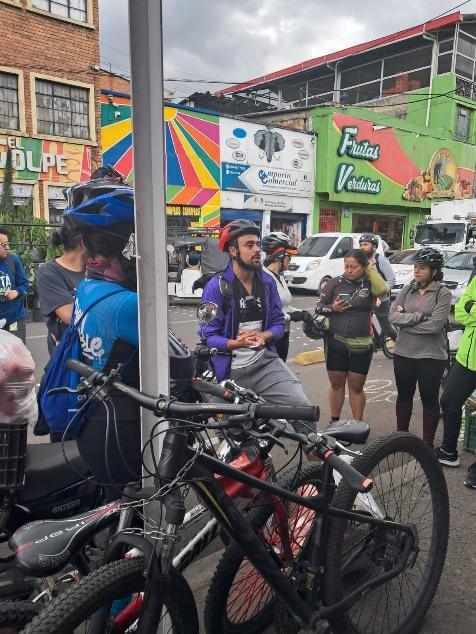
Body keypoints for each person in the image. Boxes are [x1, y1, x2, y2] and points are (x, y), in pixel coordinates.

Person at [62, 179, 195, 494]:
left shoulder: (88, 287)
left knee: (116, 523)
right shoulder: (129, 304)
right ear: (127, 246)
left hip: (94, 420)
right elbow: (182, 363)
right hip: (127, 432)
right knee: (145, 527)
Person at [199, 219, 314, 433]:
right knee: (231, 435)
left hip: (263, 364)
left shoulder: (267, 282)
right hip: (228, 373)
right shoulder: (215, 287)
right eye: (249, 245)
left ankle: (317, 464)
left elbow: (279, 324)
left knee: (302, 411)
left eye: (257, 244)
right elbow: (208, 336)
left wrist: (265, 336)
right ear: (233, 251)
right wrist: (236, 343)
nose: (257, 251)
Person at [315, 249, 388, 423]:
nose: (349, 270)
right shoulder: (334, 283)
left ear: (364, 266)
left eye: (354, 267)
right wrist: (333, 308)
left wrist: (370, 270)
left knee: (356, 387)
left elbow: (383, 290)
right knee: (336, 384)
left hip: (362, 344)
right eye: (346, 266)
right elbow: (318, 307)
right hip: (336, 342)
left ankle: (357, 425)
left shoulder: (369, 283)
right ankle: (335, 422)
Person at [389, 248, 452, 447]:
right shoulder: (408, 289)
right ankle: (401, 437)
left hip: (431, 356)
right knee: (404, 395)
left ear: (434, 270)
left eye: (422, 268)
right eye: (415, 267)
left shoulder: (443, 293)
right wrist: (417, 318)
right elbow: (392, 316)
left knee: (429, 399)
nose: (416, 271)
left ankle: (427, 445)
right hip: (403, 353)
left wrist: (405, 323)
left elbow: (435, 326)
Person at [435, 275, 476, 488]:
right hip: (466, 358)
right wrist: (468, 307)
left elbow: (468, 309)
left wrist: (472, 307)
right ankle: (449, 451)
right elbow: (460, 310)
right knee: (449, 401)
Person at [37, 216, 88, 355]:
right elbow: (71, 317)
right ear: (83, 243)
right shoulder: (49, 272)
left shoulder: (93, 270)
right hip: (68, 356)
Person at [261, 231, 301, 362]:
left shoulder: (279, 277)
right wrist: (291, 316)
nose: (291, 260)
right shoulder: (264, 279)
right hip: (271, 337)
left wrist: (302, 313)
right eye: (289, 256)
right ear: (280, 255)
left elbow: (284, 306)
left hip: (284, 336)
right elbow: (266, 312)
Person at [359, 233, 396, 340]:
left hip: (381, 299)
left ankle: (399, 345)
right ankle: (375, 342)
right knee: (362, 323)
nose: (362, 247)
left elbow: (391, 280)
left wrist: (382, 290)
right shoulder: (360, 261)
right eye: (361, 244)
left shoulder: (380, 260)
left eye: (366, 244)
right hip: (366, 298)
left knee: (386, 328)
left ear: (374, 246)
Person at [0, 226, 29, 344]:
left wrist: (16, 292)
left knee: (18, 358)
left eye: (7, 244)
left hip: (15, 319)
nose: (7, 248)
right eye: (3, 245)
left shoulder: (13, 261)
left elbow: (24, 284)